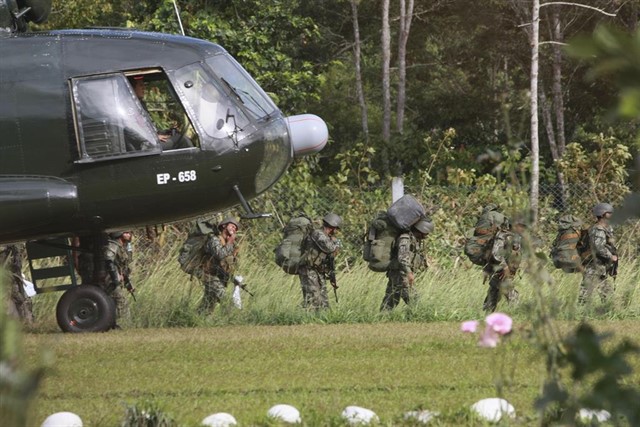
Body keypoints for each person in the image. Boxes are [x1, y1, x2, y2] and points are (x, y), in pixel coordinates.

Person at [380, 218, 432, 311]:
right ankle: (419, 316)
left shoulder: (414, 239)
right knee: (414, 300)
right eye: (426, 232)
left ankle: (382, 318)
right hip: (401, 273)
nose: (427, 235)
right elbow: (402, 258)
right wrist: (409, 273)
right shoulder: (405, 239)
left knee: (391, 299)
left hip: (398, 273)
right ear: (421, 230)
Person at [298, 213, 342, 310]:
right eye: (336, 229)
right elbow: (330, 248)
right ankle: (303, 318)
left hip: (318, 271)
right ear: (332, 227)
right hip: (308, 270)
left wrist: (332, 277)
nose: (336, 231)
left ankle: (322, 320)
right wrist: (337, 242)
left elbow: (330, 257)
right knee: (313, 299)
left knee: (323, 301)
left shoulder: (326, 237)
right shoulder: (318, 234)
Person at [199, 217, 241, 314]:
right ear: (224, 226)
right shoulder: (214, 239)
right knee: (224, 298)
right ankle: (232, 319)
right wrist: (230, 242)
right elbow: (220, 254)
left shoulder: (231, 245)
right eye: (232, 226)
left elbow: (230, 263)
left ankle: (197, 319)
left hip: (219, 276)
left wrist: (233, 277)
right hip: (209, 274)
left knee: (208, 304)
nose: (234, 229)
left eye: (235, 228)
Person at [482, 218, 525, 312]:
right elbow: (496, 254)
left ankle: (486, 310)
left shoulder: (516, 237)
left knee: (494, 290)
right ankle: (516, 313)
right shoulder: (502, 236)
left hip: (506, 270)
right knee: (510, 292)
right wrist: (504, 267)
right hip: (499, 269)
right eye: (521, 226)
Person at [578, 203, 618, 305]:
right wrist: (610, 256)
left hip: (600, 265)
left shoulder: (606, 228)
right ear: (603, 214)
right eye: (610, 213)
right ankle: (580, 310)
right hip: (594, 263)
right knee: (587, 289)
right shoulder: (598, 229)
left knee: (605, 288)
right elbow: (598, 247)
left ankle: (609, 308)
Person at [103, 231, 134, 320]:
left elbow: (123, 268)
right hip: (111, 281)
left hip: (116, 280)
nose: (129, 235)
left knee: (117, 303)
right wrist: (115, 278)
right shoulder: (114, 245)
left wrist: (128, 285)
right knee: (121, 302)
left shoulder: (123, 247)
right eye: (126, 232)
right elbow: (109, 260)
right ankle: (123, 324)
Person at [0, 244, 33, 324]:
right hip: (11, 277)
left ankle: (26, 319)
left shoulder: (9, 250)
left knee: (18, 298)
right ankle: (26, 319)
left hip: (10, 277)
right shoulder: (11, 249)